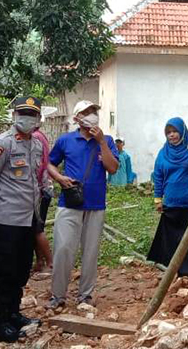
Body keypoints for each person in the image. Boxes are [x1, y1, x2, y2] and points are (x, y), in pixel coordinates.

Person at [0, 96, 44, 342]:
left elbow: (35, 182)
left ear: (38, 119)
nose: (27, 118)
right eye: (23, 113)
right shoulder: (2, 144)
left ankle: (14, 313)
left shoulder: (36, 145)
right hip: (6, 219)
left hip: (28, 220)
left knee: (20, 270)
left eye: (31, 114)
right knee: (3, 272)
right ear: (14, 115)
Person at [47, 100, 119, 308]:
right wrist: (60, 178)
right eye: (86, 112)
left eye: (94, 112)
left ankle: (85, 295)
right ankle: (58, 295)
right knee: (63, 250)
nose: (91, 116)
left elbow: (112, 168)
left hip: (96, 205)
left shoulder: (106, 140)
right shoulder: (65, 141)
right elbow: (49, 163)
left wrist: (102, 143)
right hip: (69, 202)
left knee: (90, 252)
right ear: (77, 118)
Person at [147, 117, 188, 282]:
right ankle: (180, 273)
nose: (172, 135)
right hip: (172, 203)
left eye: (175, 131)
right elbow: (159, 177)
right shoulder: (163, 153)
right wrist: (157, 199)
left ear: (182, 131)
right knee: (175, 240)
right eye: (168, 132)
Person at [32, 126, 53, 272]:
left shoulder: (35, 138)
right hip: (45, 188)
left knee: (37, 228)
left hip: (40, 189)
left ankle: (49, 262)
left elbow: (38, 166)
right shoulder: (42, 136)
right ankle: (40, 262)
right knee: (36, 227)